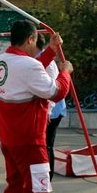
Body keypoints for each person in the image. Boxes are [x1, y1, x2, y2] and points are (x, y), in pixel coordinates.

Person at [0, 20, 73, 193]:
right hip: (29, 140)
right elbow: (56, 92)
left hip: (9, 137)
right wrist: (65, 71)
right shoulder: (27, 66)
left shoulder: (5, 60)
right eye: (36, 43)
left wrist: (50, 50)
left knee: (16, 184)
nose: (36, 46)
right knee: (38, 191)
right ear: (29, 39)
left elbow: (32, 68)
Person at [36, 34, 67, 181]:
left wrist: (48, 111)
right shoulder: (36, 60)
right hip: (48, 109)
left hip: (53, 111)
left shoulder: (47, 63)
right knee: (43, 144)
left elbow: (54, 90)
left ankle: (47, 178)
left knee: (47, 145)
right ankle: (42, 177)